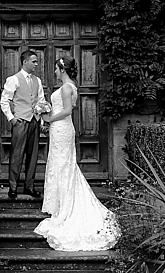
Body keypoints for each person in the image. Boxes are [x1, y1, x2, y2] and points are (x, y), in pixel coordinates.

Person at [34, 57, 120, 251]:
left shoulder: (66, 88)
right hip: (61, 130)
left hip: (62, 128)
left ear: (62, 69)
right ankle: (61, 205)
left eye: (56, 69)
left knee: (63, 166)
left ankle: (65, 209)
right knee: (62, 166)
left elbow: (66, 111)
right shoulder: (71, 86)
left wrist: (48, 118)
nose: (55, 72)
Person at [0, 49, 45, 200]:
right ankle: (13, 187)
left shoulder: (37, 81)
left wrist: (41, 119)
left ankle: (29, 187)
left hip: (34, 122)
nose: (36, 64)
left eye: (37, 61)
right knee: (17, 155)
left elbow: (41, 100)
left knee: (32, 156)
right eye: (34, 61)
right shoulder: (14, 79)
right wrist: (11, 118)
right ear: (25, 62)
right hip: (20, 122)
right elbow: (5, 100)